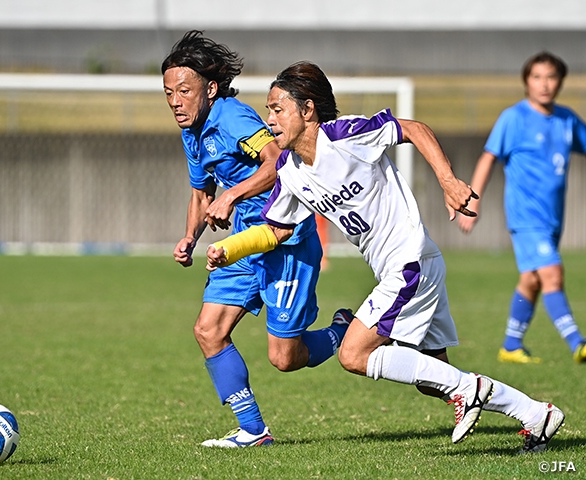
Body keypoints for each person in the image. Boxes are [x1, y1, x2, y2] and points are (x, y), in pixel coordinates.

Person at [206, 61, 565, 453]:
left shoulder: (344, 136)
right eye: (268, 110)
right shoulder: (290, 171)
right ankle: (537, 414)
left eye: (277, 108)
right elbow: (277, 229)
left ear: (307, 110)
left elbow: (414, 129)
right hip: (410, 267)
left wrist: (448, 181)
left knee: (354, 354)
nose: (269, 118)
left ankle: (471, 390)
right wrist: (231, 248)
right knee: (434, 378)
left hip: (409, 262)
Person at [162, 32, 353, 448]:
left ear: (210, 89)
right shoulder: (191, 132)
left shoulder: (234, 119)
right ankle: (252, 430)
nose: (175, 100)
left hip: (283, 237)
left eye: (184, 90)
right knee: (208, 330)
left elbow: (278, 161)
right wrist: (190, 236)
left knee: (285, 358)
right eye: (168, 92)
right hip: (243, 244)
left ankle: (343, 331)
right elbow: (200, 192)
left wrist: (232, 194)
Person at [458, 52, 586, 365]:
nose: (544, 84)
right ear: (526, 82)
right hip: (526, 217)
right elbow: (488, 157)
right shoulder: (513, 118)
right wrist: (473, 198)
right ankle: (578, 343)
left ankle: (511, 345)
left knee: (532, 279)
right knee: (552, 274)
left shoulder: (567, 119)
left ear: (560, 82)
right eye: (537, 77)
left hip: (553, 218)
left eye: (551, 77)